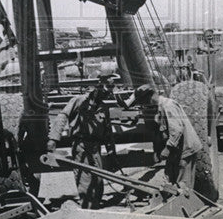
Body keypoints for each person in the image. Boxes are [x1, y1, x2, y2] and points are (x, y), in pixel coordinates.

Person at [47, 66, 119, 209]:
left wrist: (112, 154)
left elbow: (107, 133)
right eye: (107, 87)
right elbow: (63, 116)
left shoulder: (103, 107)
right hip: (81, 145)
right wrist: (53, 139)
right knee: (85, 179)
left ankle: (95, 210)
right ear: (98, 85)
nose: (108, 91)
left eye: (111, 88)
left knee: (98, 180)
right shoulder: (79, 100)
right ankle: (88, 210)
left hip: (95, 148)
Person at [127, 84, 203, 190]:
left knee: (183, 186)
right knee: (170, 181)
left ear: (150, 97)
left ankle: (186, 204)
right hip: (177, 150)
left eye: (143, 101)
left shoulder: (168, 106)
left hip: (185, 149)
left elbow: (176, 130)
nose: (143, 104)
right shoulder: (160, 107)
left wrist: (167, 149)